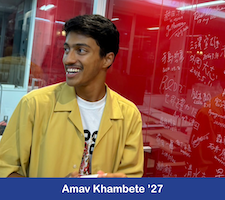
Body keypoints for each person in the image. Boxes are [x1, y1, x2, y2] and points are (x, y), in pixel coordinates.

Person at [0, 14, 144, 178]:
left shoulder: (128, 115)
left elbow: (132, 179)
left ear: (107, 59)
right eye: (66, 49)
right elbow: (5, 170)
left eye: (81, 50)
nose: (68, 59)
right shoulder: (34, 104)